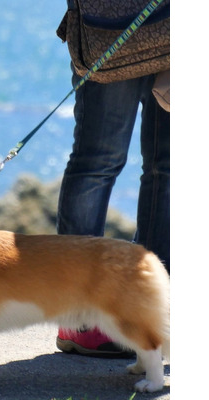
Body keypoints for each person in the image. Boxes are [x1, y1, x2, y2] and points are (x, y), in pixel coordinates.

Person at [54, 64, 170, 357]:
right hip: (115, 28)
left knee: (168, 168)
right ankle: (78, 314)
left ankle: (152, 308)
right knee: (98, 161)